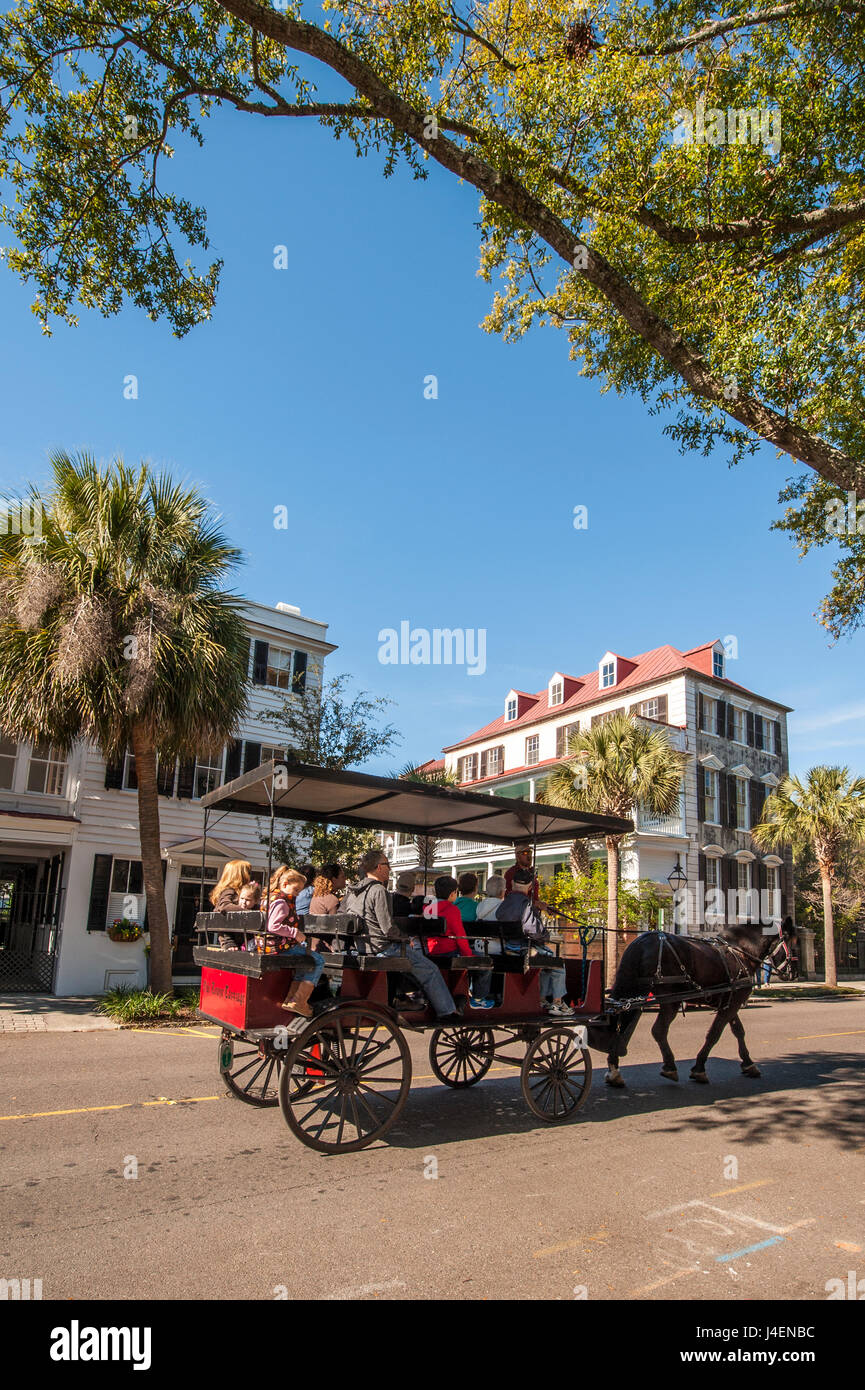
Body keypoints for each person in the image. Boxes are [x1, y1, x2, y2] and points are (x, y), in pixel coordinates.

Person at [341, 850, 463, 1022]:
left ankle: (408, 999)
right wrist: (405, 939)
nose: (389, 869)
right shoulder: (379, 891)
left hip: (362, 947)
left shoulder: (354, 891)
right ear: (378, 868)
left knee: (416, 965)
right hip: (382, 948)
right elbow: (388, 929)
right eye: (387, 865)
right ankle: (446, 1011)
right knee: (430, 970)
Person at [494, 868, 573, 1016]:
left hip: (508, 948)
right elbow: (534, 931)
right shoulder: (526, 904)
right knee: (558, 964)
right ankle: (557, 1002)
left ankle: (542, 998)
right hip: (523, 949)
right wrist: (546, 935)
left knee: (546, 963)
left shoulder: (504, 904)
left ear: (511, 883)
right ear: (530, 887)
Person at [263, 865, 326, 1017]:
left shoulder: (271, 897)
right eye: (296, 890)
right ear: (284, 884)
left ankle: (292, 999)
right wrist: (295, 933)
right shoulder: (282, 902)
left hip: (271, 946)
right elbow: (273, 926)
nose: (298, 894)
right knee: (318, 960)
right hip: (279, 947)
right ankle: (299, 1000)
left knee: (304, 962)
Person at [424, 876, 494, 1010]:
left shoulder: (428, 909)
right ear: (452, 893)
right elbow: (460, 936)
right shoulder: (452, 910)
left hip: (432, 951)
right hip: (450, 952)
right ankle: (478, 997)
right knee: (486, 964)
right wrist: (467, 954)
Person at [210, 858, 253, 948]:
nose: (250, 876)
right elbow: (225, 906)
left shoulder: (237, 891)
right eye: (248, 872)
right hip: (231, 941)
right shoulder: (229, 890)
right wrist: (249, 912)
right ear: (240, 875)